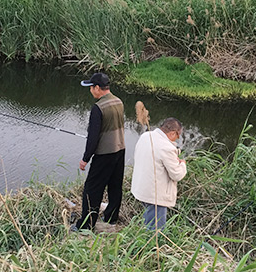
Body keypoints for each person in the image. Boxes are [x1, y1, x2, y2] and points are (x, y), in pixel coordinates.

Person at [76, 72, 125, 231]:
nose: (90, 91)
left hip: (104, 154)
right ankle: (111, 217)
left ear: (97, 88)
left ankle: (86, 225)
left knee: (92, 189)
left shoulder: (98, 108)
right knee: (115, 186)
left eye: (91, 87)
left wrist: (85, 159)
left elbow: (93, 138)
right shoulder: (118, 101)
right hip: (120, 150)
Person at [131, 117, 187, 230]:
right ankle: (151, 247)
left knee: (148, 219)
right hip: (155, 195)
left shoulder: (145, 136)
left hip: (141, 188)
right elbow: (176, 174)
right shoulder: (167, 148)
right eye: (178, 135)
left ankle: (142, 241)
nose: (177, 138)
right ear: (172, 133)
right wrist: (183, 165)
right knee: (156, 231)